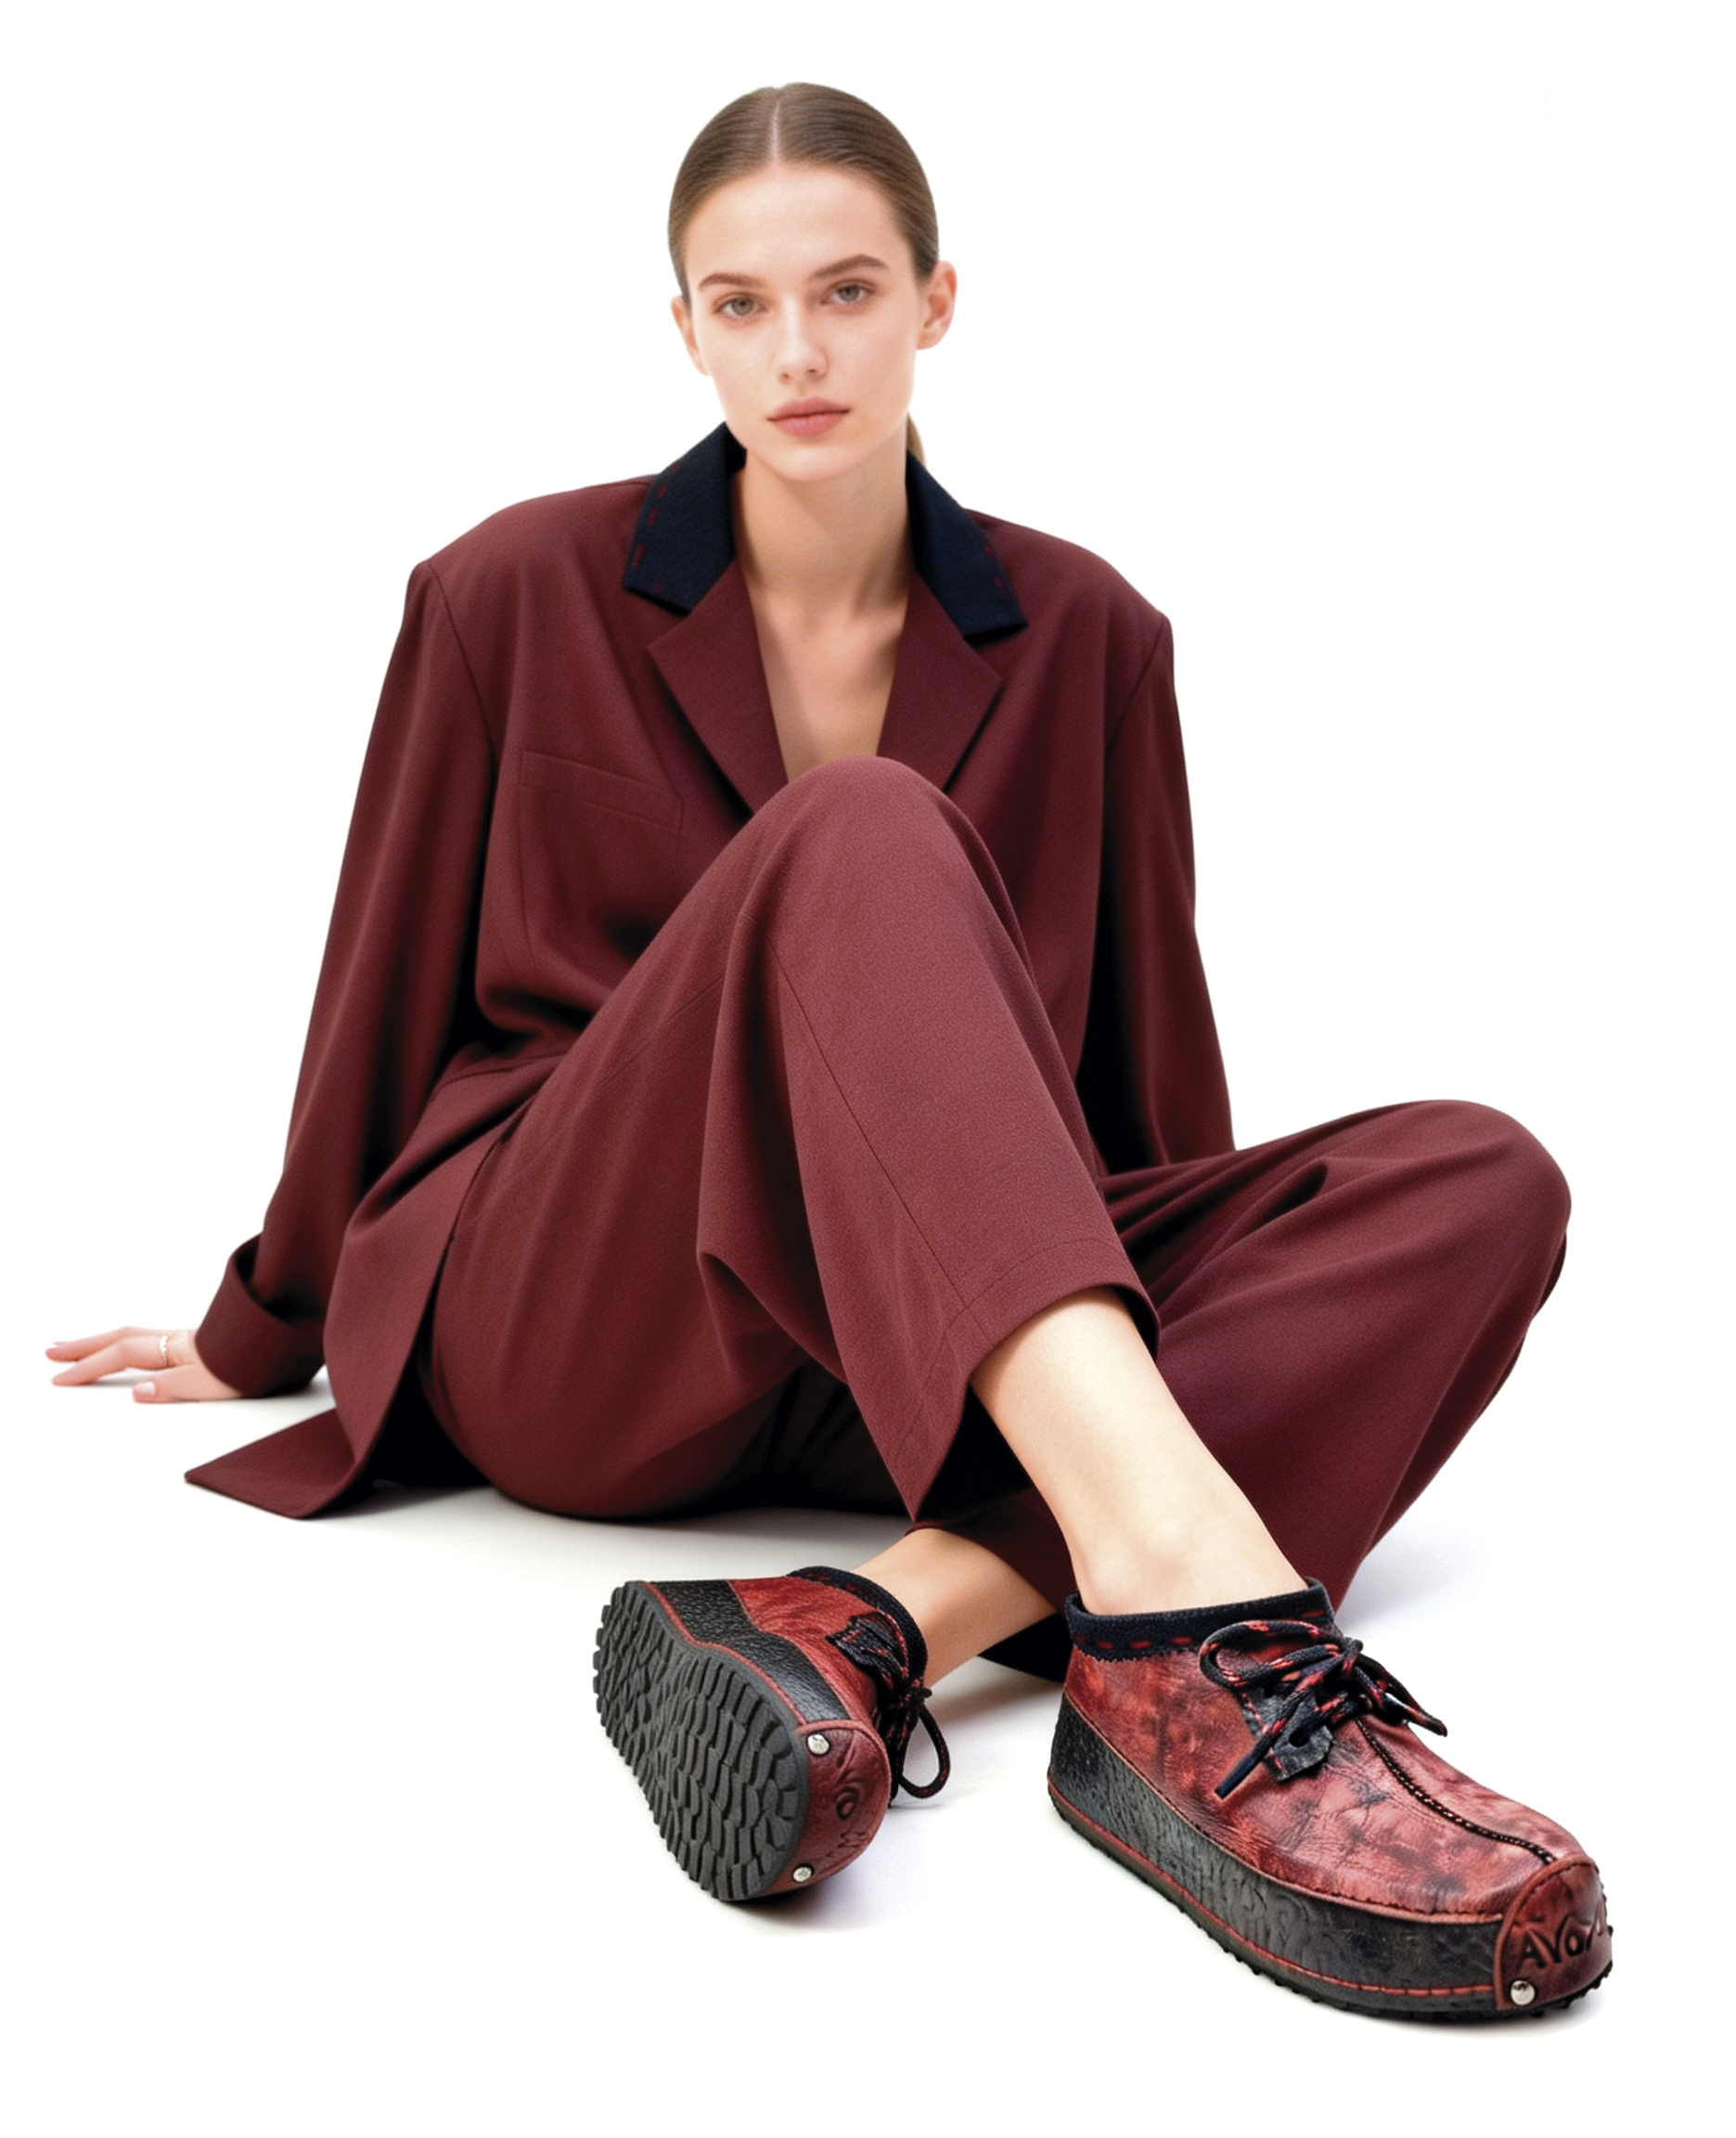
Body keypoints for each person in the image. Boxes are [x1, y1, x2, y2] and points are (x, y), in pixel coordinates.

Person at [48, 83, 1609, 2019]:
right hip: (585, 1308)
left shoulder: (1093, 634)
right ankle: (1193, 1626)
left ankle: (872, 1620)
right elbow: (378, 977)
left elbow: (1139, 1073)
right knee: (858, 826)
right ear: (684, 329)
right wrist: (265, 1317)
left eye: (849, 291)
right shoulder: (506, 591)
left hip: (897, 1347)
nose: (797, 351)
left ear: (937, 302)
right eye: (743, 304)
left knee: (1480, 1175)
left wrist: (1214, 1322)